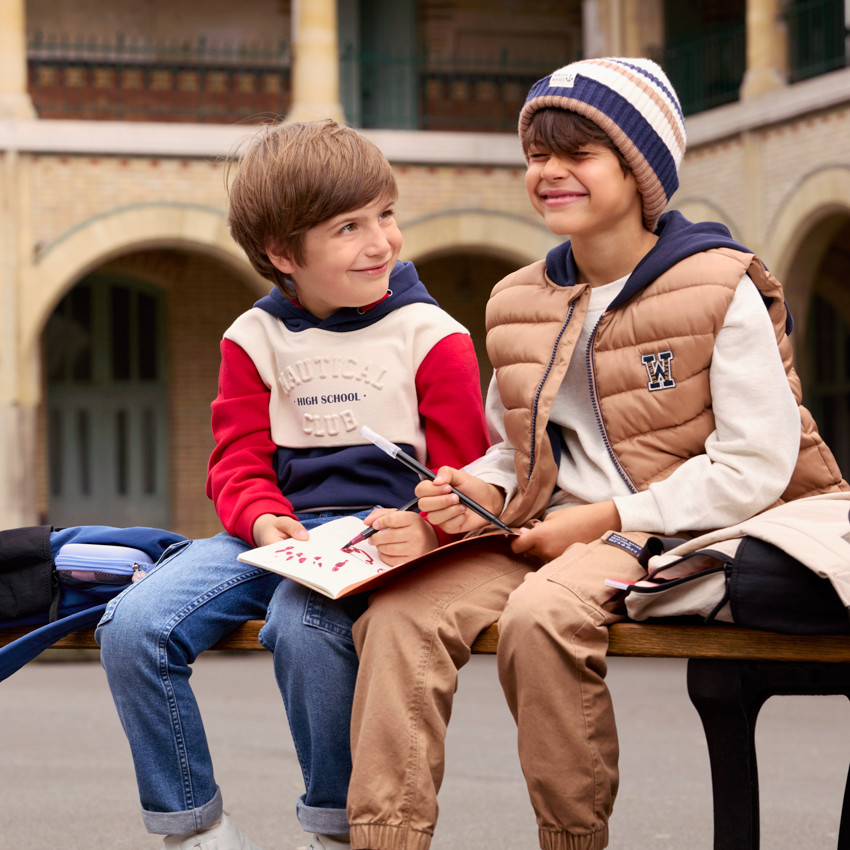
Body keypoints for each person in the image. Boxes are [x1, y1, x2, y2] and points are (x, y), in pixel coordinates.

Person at [344, 57, 849, 850]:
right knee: (400, 613)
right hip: (545, 528)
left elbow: (755, 466)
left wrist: (603, 519)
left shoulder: (720, 286)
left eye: (576, 154)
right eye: (537, 155)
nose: (548, 172)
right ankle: (384, 838)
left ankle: (572, 841)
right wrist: (462, 494)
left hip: (679, 529)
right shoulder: (516, 300)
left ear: (638, 168)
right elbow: (513, 453)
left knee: (544, 618)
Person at [95, 119, 489, 850]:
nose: (381, 242)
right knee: (130, 627)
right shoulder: (252, 337)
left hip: (384, 538)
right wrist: (263, 517)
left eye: (386, 214)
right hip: (279, 534)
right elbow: (236, 460)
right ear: (283, 254)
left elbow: (467, 474)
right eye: (348, 228)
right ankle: (194, 829)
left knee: (303, 627)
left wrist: (426, 525)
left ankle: (334, 829)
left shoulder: (434, 335)